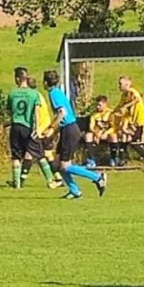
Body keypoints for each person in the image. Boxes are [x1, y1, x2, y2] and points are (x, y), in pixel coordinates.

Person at [44, 70, 105, 200]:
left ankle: (97, 177)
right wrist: (55, 133)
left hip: (70, 130)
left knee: (65, 166)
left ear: (45, 82)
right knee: (58, 164)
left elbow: (62, 113)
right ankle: (74, 191)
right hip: (67, 129)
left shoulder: (54, 93)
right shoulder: (57, 91)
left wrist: (51, 127)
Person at [7, 66, 59, 190]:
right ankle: (50, 180)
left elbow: (9, 111)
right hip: (28, 127)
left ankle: (17, 183)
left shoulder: (12, 93)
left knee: (16, 156)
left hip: (15, 126)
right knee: (39, 154)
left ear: (17, 79)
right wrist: (36, 127)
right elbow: (36, 112)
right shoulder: (34, 94)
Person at [85, 96, 117, 166]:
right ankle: (91, 159)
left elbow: (114, 127)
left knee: (113, 136)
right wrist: (96, 133)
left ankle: (113, 158)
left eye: (99, 105)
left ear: (105, 104)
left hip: (107, 133)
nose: (97, 107)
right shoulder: (94, 114)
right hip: (97, 133)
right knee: (88, 136)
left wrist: (105, 133)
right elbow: (91, 127)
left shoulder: (111, 113)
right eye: (97, 105)